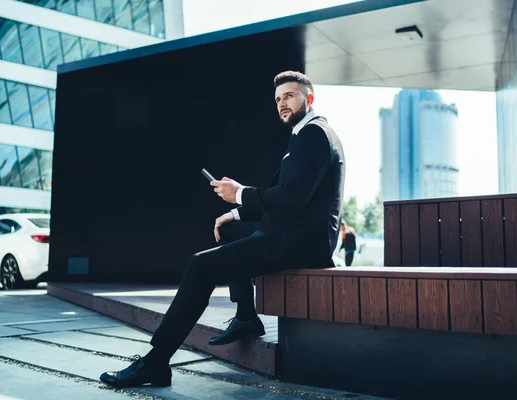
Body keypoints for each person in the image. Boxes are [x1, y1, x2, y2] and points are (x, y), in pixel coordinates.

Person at [99, 70, 346, 388]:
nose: (282, 104)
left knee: (200, 265)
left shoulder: (315, 136)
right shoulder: (304, 135)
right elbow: (288, 193)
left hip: (298, 243)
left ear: (309, 99)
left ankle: (156, 362)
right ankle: (246, 316)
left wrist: (240, 192)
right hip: (290, 233)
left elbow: (293, 197)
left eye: (289, 96)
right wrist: (238, 211)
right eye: (278, 99)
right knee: (229, 230)